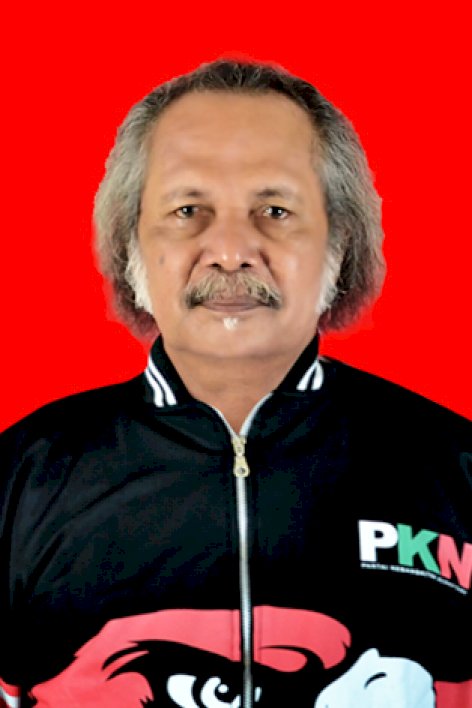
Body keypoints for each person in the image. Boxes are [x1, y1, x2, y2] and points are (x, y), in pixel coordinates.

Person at [0, 59, 471, 708]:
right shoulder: (21, 477)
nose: (229, 251)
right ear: (131, 242)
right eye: (187, 209)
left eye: (275, 210)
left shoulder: (458, 469)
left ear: (338, 241)